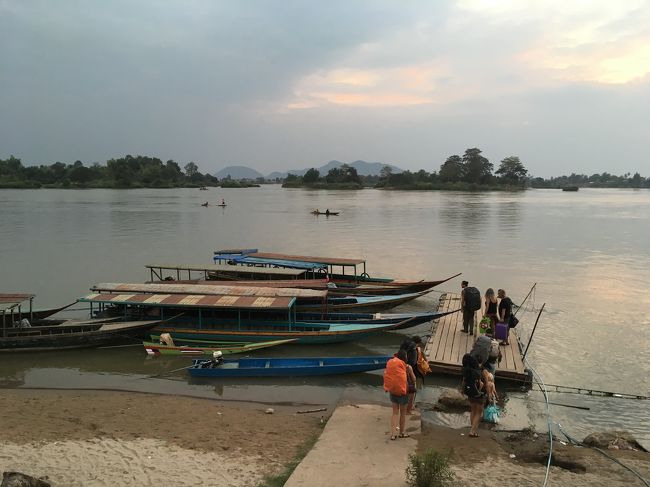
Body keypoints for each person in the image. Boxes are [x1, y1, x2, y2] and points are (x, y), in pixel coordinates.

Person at [383, 349, 411, 440]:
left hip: (392, 390)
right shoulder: (405, 366)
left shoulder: (391, 362)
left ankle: (393, 434)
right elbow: (412, 380)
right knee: (403, 413)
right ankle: (402, 433)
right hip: (403, 392)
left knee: (395, 413)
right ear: (404, 357)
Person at [461, 353, 484, 437]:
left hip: (469, 393)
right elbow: (481, 384)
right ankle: (472, 431)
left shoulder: (466, 370)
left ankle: (472, 428)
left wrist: (463, 390)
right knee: (479, 412)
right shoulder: (477, 371)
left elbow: (463, 381)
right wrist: (480, 392)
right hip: (477, 394)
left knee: (473, 410)